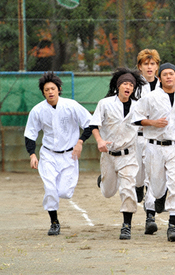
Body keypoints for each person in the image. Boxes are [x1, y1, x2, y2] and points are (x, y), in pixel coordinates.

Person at [132, 63, 175, 242]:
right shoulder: (150, 98)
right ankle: (159, 197)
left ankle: (173, 226)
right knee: (156, 185)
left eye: (172, 74)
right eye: (165, 74)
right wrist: (153, 123)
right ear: (159, 78)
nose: (168, 77)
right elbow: (136, 118)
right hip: (154, 146)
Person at [24, 72, 92, 236]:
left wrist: (80, 142)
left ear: (59, 89)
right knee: (50, 188)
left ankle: (58, 202)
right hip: (48, 155)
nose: (50, 92)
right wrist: (32, 154)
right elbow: (30, 134)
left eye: (53, 88)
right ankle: (54, 222)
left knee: (64, 192)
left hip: (69, 155)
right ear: (43, 92)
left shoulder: (71, 105)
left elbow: (90, 124)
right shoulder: (38, 110)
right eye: (46, 89)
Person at [90, 67, 145, 240]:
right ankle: (103, 181)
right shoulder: (105, 103)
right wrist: (99, 140)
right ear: (118, 86)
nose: (128, 87)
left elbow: (145, 122)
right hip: (109, 155)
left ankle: (126, 225)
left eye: (131, 84)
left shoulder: (138, 106)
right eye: (125, 84)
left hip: (129, 155)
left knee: (128, 189)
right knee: (108, 192)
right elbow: (94, 125)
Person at [134, 49, 162, 210]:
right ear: (140, 66)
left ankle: (150, 214)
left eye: (153, 64)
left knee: (152, 175)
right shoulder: (133, 86)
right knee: (138, 176)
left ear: (157, 66)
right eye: (146, 64)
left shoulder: (163, 86)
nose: (149, 67)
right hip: (137, 136)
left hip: (156, 138)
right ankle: (138, 187)